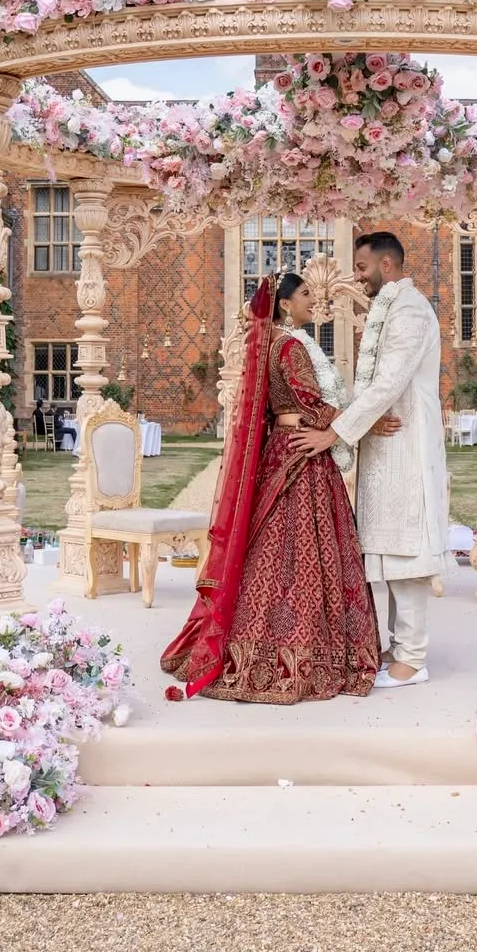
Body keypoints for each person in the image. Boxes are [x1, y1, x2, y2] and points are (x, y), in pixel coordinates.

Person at [161, 271, 397, 704]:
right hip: (301, 453)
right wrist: (366, 421)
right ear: (285, 304)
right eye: (306, 294)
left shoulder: (272, 344)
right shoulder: (290, 346)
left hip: (282, 450)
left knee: (275, 549)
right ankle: (305, 655)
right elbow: (308, 402)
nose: (315, 301)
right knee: (304, 548)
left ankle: (254, 647)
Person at [292, 231, 451, 689]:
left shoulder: (410, 311)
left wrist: (334, 431)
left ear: (386, 264)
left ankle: (413, 659)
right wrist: (356, 422)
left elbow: (388, 383)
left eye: (361, 268)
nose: (357, 278)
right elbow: (375, 388)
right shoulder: (392, 308)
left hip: (408, 445)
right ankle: (400, 648)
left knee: (409, 554)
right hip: (386, 441)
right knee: (388, 549)